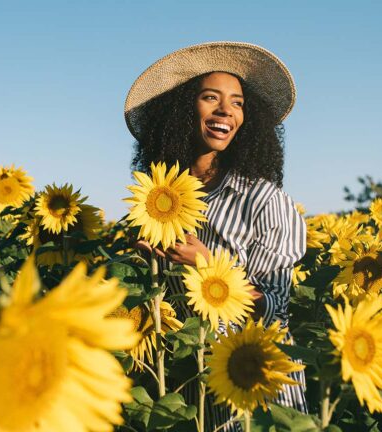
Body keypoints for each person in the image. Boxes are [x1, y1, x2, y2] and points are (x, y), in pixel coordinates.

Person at [124, 41, 308, 431]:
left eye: (238, 102)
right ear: (181, 109)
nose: (226, 110)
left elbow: (275, 308)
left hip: (256, 391)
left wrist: (209, 267)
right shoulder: (154, 200)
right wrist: (141, 267)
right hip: (187, 389)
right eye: (211, 98)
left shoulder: (263, 201)